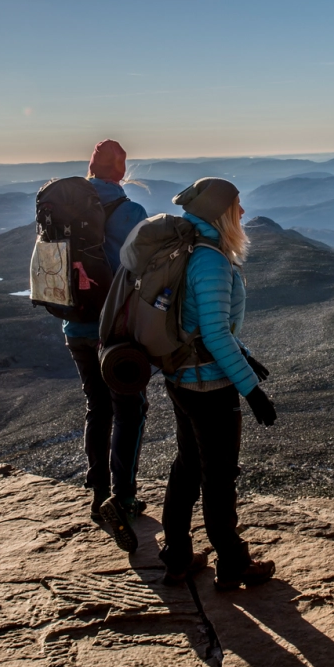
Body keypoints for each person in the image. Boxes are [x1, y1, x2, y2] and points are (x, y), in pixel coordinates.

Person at [158, 177, 279, 591]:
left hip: (181, 377)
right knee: (219, 475)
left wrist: (244, 355)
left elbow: (202, 326)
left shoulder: (191, 248)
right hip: (208, 385)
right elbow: (213, 332)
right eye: (237, 206)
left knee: (188, 466)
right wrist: (252, 390)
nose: (243, 213)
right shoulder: (210, 260)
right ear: (221, 213)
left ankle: (176, 558)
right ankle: (232, 563)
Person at [63, 140, 151, 551]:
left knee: (96, 406)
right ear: (120, 170)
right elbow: (145, 268)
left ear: (90, 168)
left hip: (75, 324)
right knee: (130, 409)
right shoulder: (131, 212)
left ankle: (98, 493)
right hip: (116, 329)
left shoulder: (64, 209)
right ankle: (124, 496)